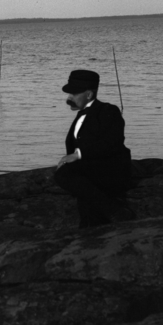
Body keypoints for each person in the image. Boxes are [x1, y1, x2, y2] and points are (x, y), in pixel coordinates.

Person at [53, 69, 133, 227]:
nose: (69, 98)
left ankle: (114, 210)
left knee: (64, 175)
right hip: (91, 169)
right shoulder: (81, 115)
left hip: (111, 169)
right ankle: (90, 229)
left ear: (89, 94)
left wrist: (78, 155)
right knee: (84, 199)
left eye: (74, 94)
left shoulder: (109, 111)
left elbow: (112, 143)